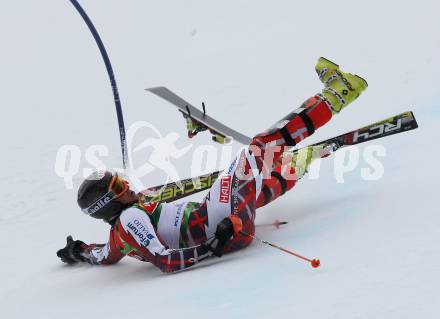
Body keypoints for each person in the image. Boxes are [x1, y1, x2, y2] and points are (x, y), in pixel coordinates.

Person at [57, 57, 368, 273]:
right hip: (221, 223)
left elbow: (101, 256)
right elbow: (165, 261)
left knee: (256, 188)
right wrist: (213, 244)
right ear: (109, 204)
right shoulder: (131, 220)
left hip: (227, 226)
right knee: (258, 149)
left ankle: (296, 164)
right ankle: (338, 94)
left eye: (121, 181)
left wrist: (77, 252)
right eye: (119, 187)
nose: (128, 186)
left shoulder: (119, 236)